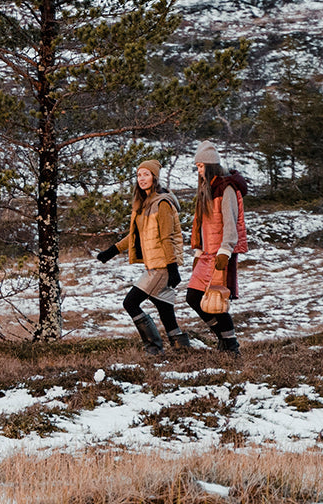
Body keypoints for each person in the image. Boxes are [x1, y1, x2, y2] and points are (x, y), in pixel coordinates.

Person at [96, 159, 190, 355]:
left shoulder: (162, 204)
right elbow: (135, 234)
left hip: (162, 265)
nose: (142, 178)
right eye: (139, 175)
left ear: (154, 177)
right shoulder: (144, 204)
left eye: (146, 174)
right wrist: (112, 251)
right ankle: (181, 348)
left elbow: (166, 237)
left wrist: (173, 268)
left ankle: (154, 348)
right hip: (154, 265)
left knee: (130, 303)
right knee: (164, 307)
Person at [185, 140, 248, 356]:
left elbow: (231, 222)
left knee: (217, 300)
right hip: (206, 254)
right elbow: (201, 224)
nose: (199, 170)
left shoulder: (225, 188)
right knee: (193, 298)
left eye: (201, 166)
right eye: (198, 166)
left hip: (220, 254)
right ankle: (223, 338)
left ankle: (231, 346)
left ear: (211, 165)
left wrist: (225, 250)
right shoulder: (207, 189)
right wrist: (198, 250)